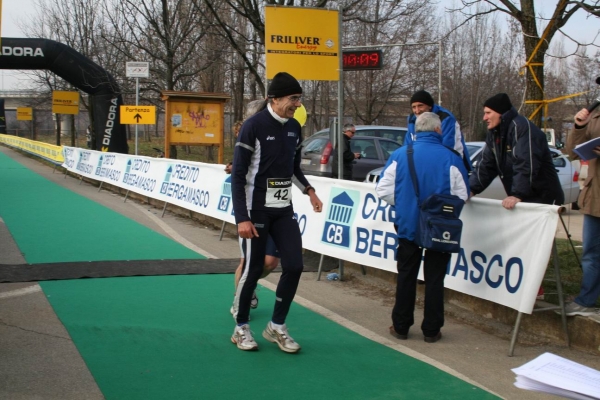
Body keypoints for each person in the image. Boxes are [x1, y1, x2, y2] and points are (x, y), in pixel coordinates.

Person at [230, 72, 323, 352]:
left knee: (294, 265)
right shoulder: (253, 126)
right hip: (255, 210)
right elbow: (238, 174)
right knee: (254, 268)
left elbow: (293, 169)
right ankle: (241, 327)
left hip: (283, 210)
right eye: (293, 98)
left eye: (299, 99)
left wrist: (309, 191)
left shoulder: (295, 127)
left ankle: (277, 327)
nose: (297, 104)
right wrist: (242, 218)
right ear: (275, 98)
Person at [376, 112, 469, 343]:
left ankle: (401, 326)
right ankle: (431, 329)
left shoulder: (400, 154)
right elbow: (461, 195)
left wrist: (405, 204)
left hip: (407, 225)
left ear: (416, 130)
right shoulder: (451, 157)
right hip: (439, 227)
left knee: (406, 275)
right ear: (438, 130)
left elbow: (383, 189)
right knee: (435, 278)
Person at [226, 101, 281, 318]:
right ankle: (240, 301)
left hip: (276, 206)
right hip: (251, 207)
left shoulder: (282, 131)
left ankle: (250, 285)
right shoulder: (248, 132)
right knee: (248, 262)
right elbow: (242, 165)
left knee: (270, 262)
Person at [469, 93, 564, 209]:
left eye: (488, 113)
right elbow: (486, 165)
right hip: (524, 199)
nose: (484, 118)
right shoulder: (494, 134)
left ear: (501, 113)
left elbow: (526, 162)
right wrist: (470, 190)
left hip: (543, 199)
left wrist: (517, 194)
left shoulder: (521, 128)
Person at [564, 105, 600, 316]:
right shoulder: (594, 115)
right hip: (596, 196)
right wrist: (579, 126)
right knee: (591, 254)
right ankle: (586, 300)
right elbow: (573, 152)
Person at [405, 90, 471, 171]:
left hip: (452, 166)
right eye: (414, 107)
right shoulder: (411, 119)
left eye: (420, 106)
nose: (417, 110)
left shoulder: (446, 118)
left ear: (429, 106)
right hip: (423, 167)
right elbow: (408, 145)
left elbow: (447, 148)